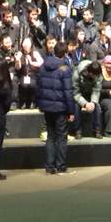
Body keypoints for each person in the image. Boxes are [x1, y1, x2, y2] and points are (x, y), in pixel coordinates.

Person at [36, 39, 77, 174]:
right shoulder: (65, 69)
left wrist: (40, 104)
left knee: (50, 136)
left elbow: (39, 87)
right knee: (61, 137)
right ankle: (61, 165)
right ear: (64, 53)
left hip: (47, 107)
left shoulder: (43, 66)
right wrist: (71, 111)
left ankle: (49, 167)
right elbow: (68, 92)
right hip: (60, 108)